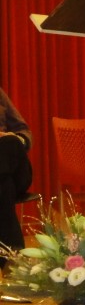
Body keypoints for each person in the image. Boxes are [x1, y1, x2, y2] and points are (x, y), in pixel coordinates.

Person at [0, 87, 33, 268]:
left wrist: (15, 139)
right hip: (7, 180)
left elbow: (24, 131)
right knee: (4, 186)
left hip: (16, 168)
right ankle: (13, 261)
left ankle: (12, 261)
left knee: (10, 143)